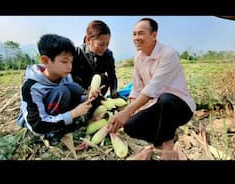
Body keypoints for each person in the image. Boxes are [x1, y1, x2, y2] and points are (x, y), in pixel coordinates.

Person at [107, 18, 196, 160]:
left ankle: (168, 145)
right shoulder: (138, 58)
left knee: (166, 98)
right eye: (134, 34)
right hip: (157, 107)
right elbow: (137, 89)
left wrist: (125, 112)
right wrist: (130, 114)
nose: (136, 38)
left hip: (180, 107)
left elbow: (154, 88)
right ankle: (167, 134)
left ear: (154, 35)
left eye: (140, 33)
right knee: (131, 127)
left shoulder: (168, 54)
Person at [17, 34, 100, 141]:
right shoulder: (32, 87)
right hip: (42, 123)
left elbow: (74, 98)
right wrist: (74, 113)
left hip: (59, 115)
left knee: (74, 88)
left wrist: (89, 97)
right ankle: (52, 132)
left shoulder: (65, 76)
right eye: (64, 61)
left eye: (71, 61)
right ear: (46, 61)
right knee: (63, 91)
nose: (69, 66)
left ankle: (64, 125)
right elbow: (37, 125)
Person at [71, 20, 119, 118]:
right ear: (89, 40)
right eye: (101, 44)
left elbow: (112, 76)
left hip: (98, 91)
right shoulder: (77, 53)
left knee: (104, 78)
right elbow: (69, 78)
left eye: (107, 44)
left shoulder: (108, 55)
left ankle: (96, 105)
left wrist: (114, 94)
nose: (105, 48)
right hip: (79, 90)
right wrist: (85, 92)